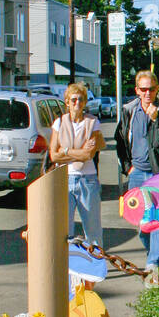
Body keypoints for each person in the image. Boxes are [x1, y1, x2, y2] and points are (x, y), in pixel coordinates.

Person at [115, 70, 159, 276]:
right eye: (143, 89)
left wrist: (157, 119)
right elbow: (120, 141)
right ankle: (152, 253)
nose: (147, 93)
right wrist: (128, 167)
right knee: (142, 223)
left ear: (157, 90)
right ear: (137, 90)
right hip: (137, 173)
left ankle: (153, 262)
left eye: (151, 89)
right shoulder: (129, 111)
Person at [49, 82, 105, 249]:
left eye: (81, 99)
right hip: (64, 178)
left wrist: (65, 151)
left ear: (85, 102)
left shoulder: (93, 122)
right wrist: (76, 152)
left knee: (93, 230)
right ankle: (68, 270)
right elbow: (54, 155)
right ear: (67, 102)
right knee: (65, 230)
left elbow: (89, 154)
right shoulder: (59, 123)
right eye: (73, 100)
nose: (77, 103)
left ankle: (96, 271)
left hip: (87, 180)